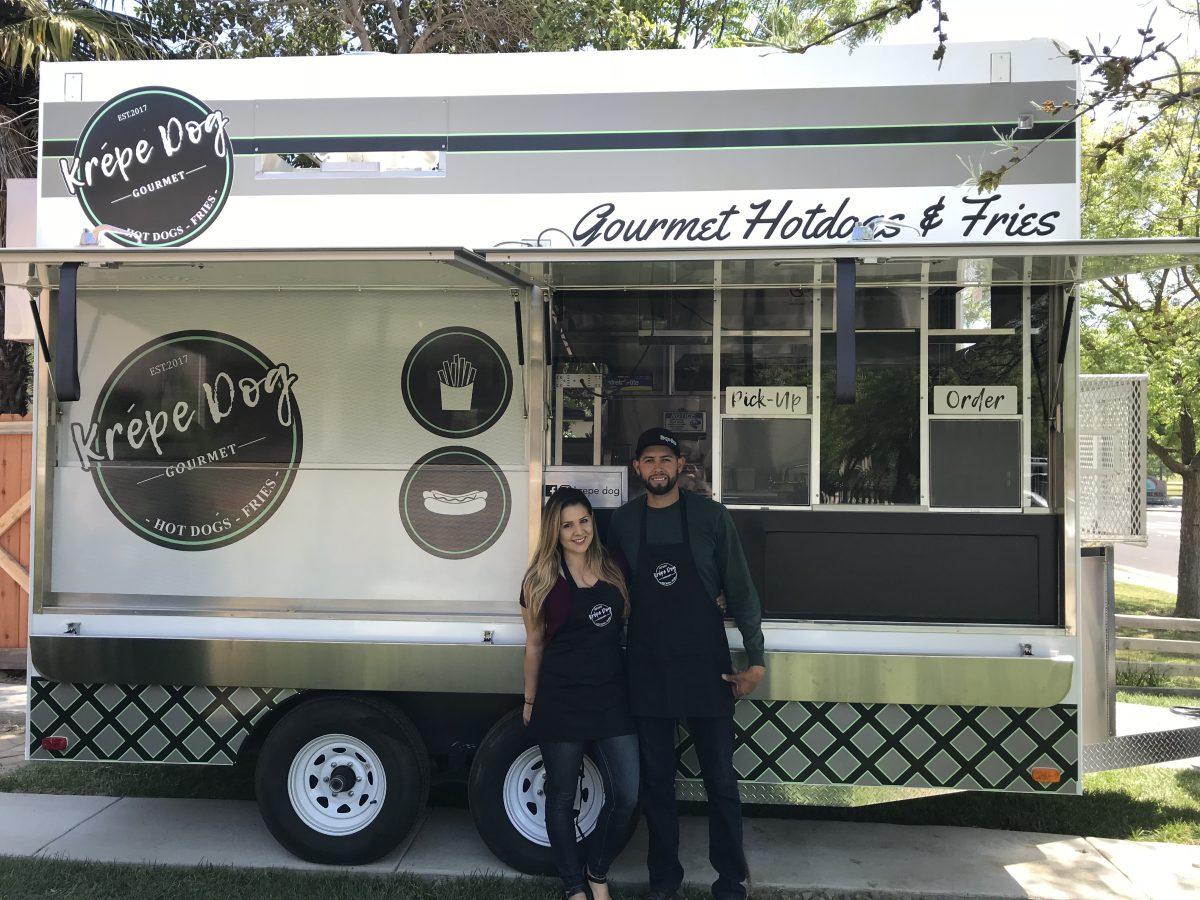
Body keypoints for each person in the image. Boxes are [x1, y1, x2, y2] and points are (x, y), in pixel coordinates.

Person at [607, 429, 766, 900]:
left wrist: (755, 658)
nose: (657, 467)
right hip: (648, 666)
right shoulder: (622, 521)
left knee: (720, 780)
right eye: (648, 460)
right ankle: (664, 881)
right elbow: (611, 590)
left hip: (706, 667)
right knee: (656, 784)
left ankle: (731, 881)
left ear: (680, 466)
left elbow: (739, 588)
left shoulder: (710, 517)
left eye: (666, 459)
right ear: (637, 468)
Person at [520, 487, 640, 900]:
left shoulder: (614, 567)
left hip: (611, 699)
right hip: (561, 700)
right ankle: (574, 887)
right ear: (555, 531)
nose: (578, 531)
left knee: (627, 795)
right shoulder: (540, 581)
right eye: (567, 525)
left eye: (584, 521)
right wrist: (530, 700)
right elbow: (534, 644)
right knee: (561, 798)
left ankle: (597, 870)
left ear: (593, 521)